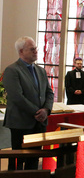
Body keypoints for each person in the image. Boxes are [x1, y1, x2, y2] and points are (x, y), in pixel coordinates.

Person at [2, 36, 54, 170]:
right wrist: (37, 112)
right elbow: (16, 97)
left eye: (36, 48)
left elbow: (49, 93)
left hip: (39, 123)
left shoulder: (40, 70)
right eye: (32, 49)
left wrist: (46, 110)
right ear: (21, 52)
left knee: (34, 158)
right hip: (21, 122)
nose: (36, 51)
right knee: (17, 160)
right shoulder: (12, 70)